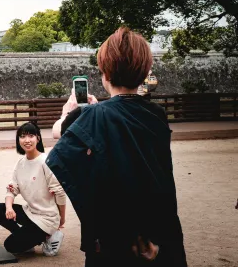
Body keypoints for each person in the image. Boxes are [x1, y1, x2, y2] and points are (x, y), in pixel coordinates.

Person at [46, 27, 187, 266]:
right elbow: (121, 117)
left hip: (114, 235)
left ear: (105, 73)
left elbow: (57, 133)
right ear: (144, 72)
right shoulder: (156, 115)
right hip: (159, 227)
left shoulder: (92, 116)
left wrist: (68, 113)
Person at [0, 122, 66, 257]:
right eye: (23, 136)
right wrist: (9, 208)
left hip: (46, 219)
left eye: (31, 136)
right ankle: (28, 240)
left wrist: (62, 219)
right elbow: (11, 190)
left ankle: (51, 235)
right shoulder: (21, 163)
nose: (27, 140)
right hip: (30, 213)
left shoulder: (46, 162)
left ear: (38, 138)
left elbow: (59, 193)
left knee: (10, 246)